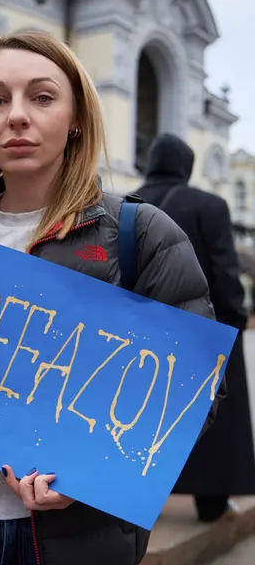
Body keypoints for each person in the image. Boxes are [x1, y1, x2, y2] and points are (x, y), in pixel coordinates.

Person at [0, 33, 222, 565]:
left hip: (75, 541)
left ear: (76, 117)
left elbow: (196, 394)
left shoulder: (141, 236)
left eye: (42, 97)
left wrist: (91, 475)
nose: (17, 116)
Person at [136, 132, 255, 523]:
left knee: (142, 413)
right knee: (213, 417)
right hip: (203, 327)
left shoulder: (126, 202)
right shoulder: (209, 205)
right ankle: (212, 502)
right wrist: (235, 318)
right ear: (185, 166)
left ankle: (140, 499)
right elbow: (224, 270)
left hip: (142, 330)